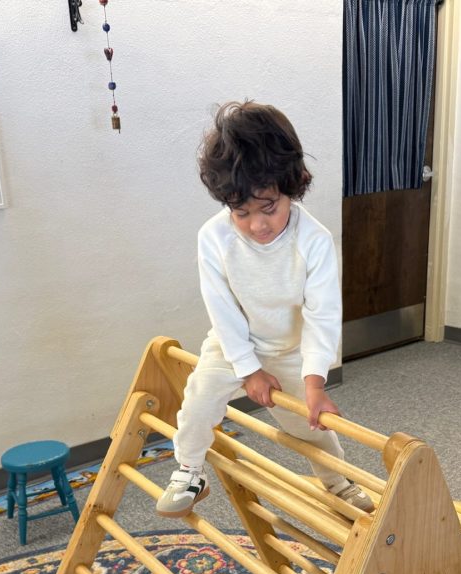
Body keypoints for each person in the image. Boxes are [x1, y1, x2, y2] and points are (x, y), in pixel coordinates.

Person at [156, 101, 375, 518]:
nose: (257, 225)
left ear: (291, 187)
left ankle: (338, 480)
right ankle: (188, 470)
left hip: (290, 349)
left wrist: (315, 382)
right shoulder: (214, 237)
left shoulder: (313, 240)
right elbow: (222, 309)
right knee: (198, 400)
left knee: (308, 425)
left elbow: (322, 316)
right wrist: (248, 369)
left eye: (269, 207)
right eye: (241, 212)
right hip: (233, 343)